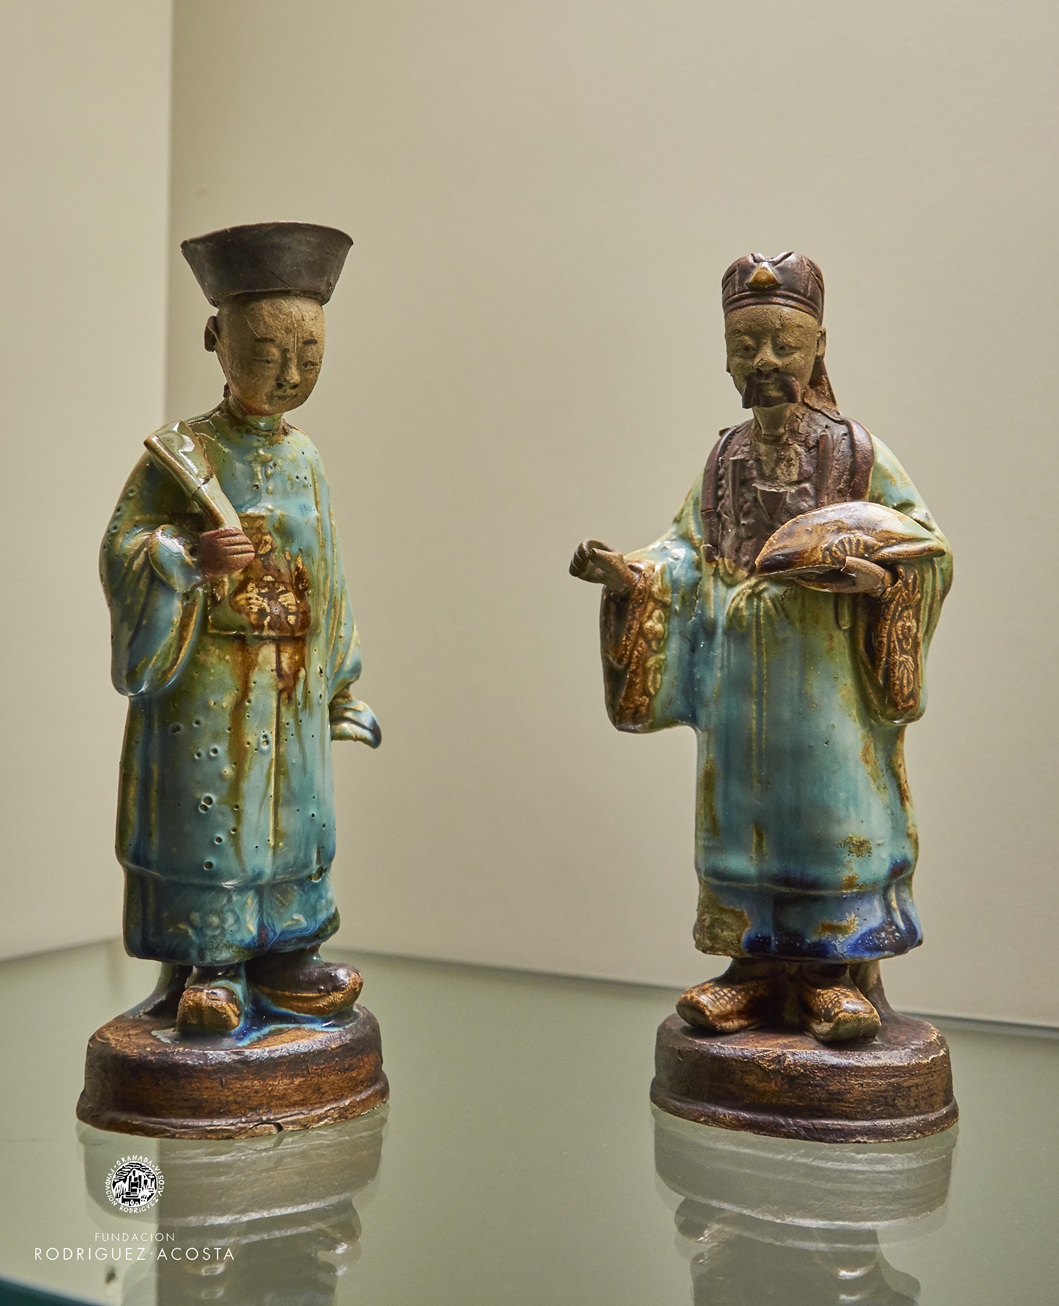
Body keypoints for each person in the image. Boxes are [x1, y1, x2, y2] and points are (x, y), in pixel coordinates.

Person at [570, 252, 951, 1043]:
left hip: (826, 683)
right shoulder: (723, 458)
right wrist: (629, 575)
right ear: (725, 355)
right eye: (744, 346)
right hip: (738, 683)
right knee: (742, 819)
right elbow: (682, 553)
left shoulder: (857, 454)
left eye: (784, 343)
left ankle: (827, 975)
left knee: (826, 815)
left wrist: (878, 582)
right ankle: (748, 969)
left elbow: (925, 548)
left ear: (819, 347)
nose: (764, 362)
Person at [102, 222, 380, 1036]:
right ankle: (211, 964)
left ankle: (288, 954)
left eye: (309, 358)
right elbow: (123, 548)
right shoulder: (181, 454)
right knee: (212, 820)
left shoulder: (305, 459)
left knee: (293, 818)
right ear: (215, 339)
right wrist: (186, 558)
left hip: (290, 678)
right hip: (208, 680)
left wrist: (340, 682)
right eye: (266, 353)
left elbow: (329, 576)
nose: (289, 374)